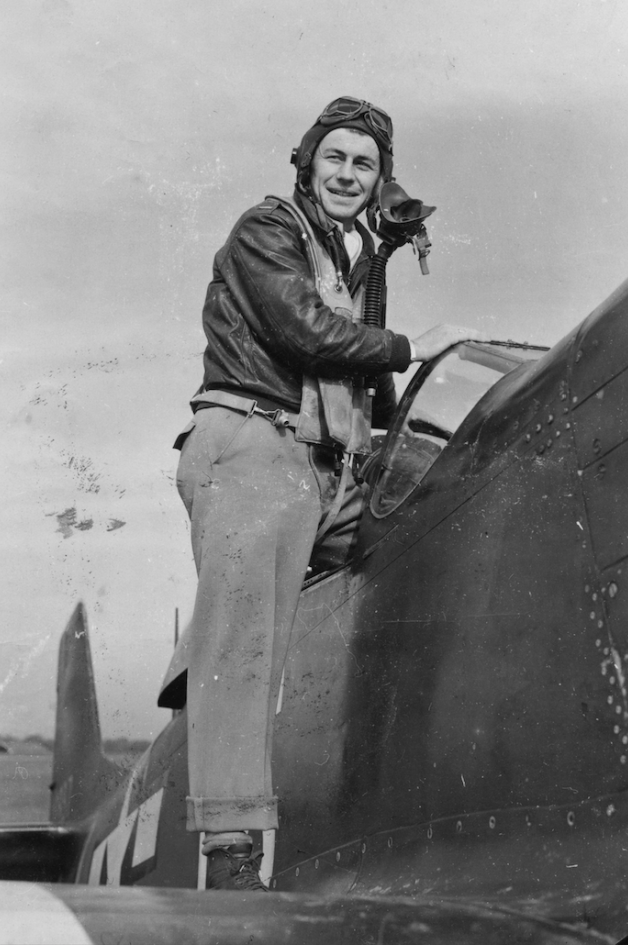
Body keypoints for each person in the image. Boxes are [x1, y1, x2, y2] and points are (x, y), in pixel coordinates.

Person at [174, 96, 482, 890]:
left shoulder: (344, 255)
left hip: (325, 472)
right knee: (244, 650)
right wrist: (418, 345)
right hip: (255, 446)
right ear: (308, 161)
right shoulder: (267, 230)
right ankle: (233, 853)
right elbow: (304, 332)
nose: (349, 174)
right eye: (336, 158)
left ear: (381, 180)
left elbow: (362, 391)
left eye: (366, 164)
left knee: (424, 553)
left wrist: (380, 254)